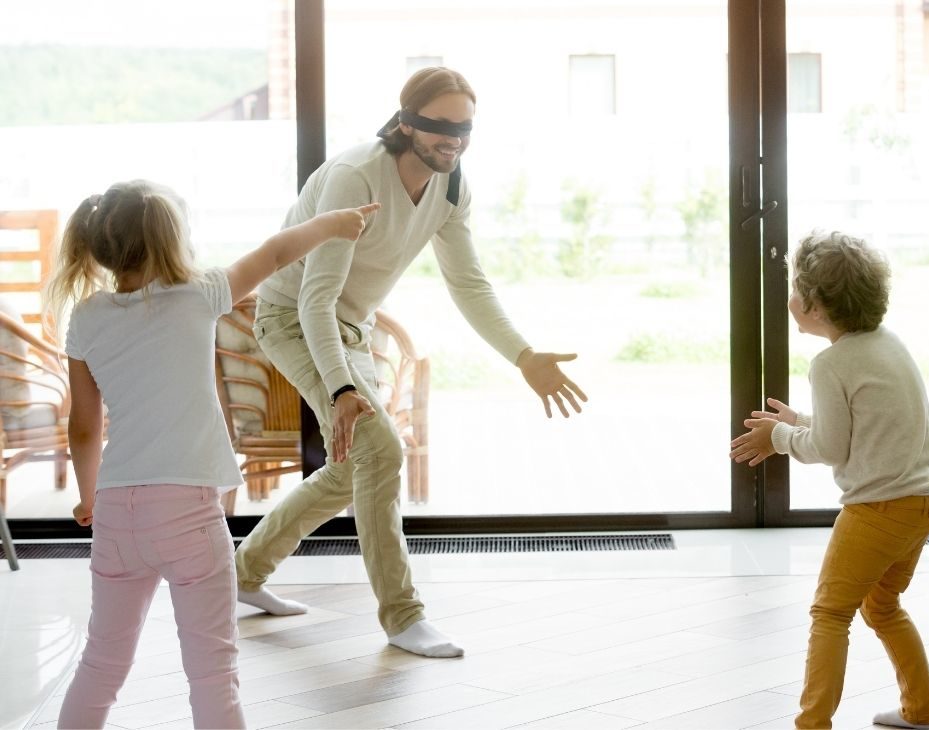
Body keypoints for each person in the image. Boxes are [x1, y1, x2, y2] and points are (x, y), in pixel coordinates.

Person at [233, 66, 588, 658]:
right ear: (406, 123)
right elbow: (314, 299)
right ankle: (402, 616)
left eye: (465, 128)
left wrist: (523, 356)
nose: (453, 139)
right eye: (440, 126)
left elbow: (468, 285)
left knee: (354, 466)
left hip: (350, 328)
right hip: (293, 320)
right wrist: (343, 386)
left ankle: (240, 577)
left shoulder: (451, 186)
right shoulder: (355, 177)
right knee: (382, 449)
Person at [46, 179, 376, 729]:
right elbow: (273, 254)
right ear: (169, 241)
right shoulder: (199, 294)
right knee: (212, 671)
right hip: (188, 513)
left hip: (116, 514)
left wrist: (88, 496)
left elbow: (83, 428)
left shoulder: (86, 318)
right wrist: (335, 223)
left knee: (101, 663)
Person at [730, 231, 929, 730]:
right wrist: (802, 420)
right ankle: (923, 709)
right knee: (883, 604)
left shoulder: (830, 363)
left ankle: (811, 724)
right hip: (924, 500)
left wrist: (780, 438)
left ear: (813, 306)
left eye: (792, 288)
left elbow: (831, 448)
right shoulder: (888, 344)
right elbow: (865, 422)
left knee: (830, 614)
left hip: (879, 509)